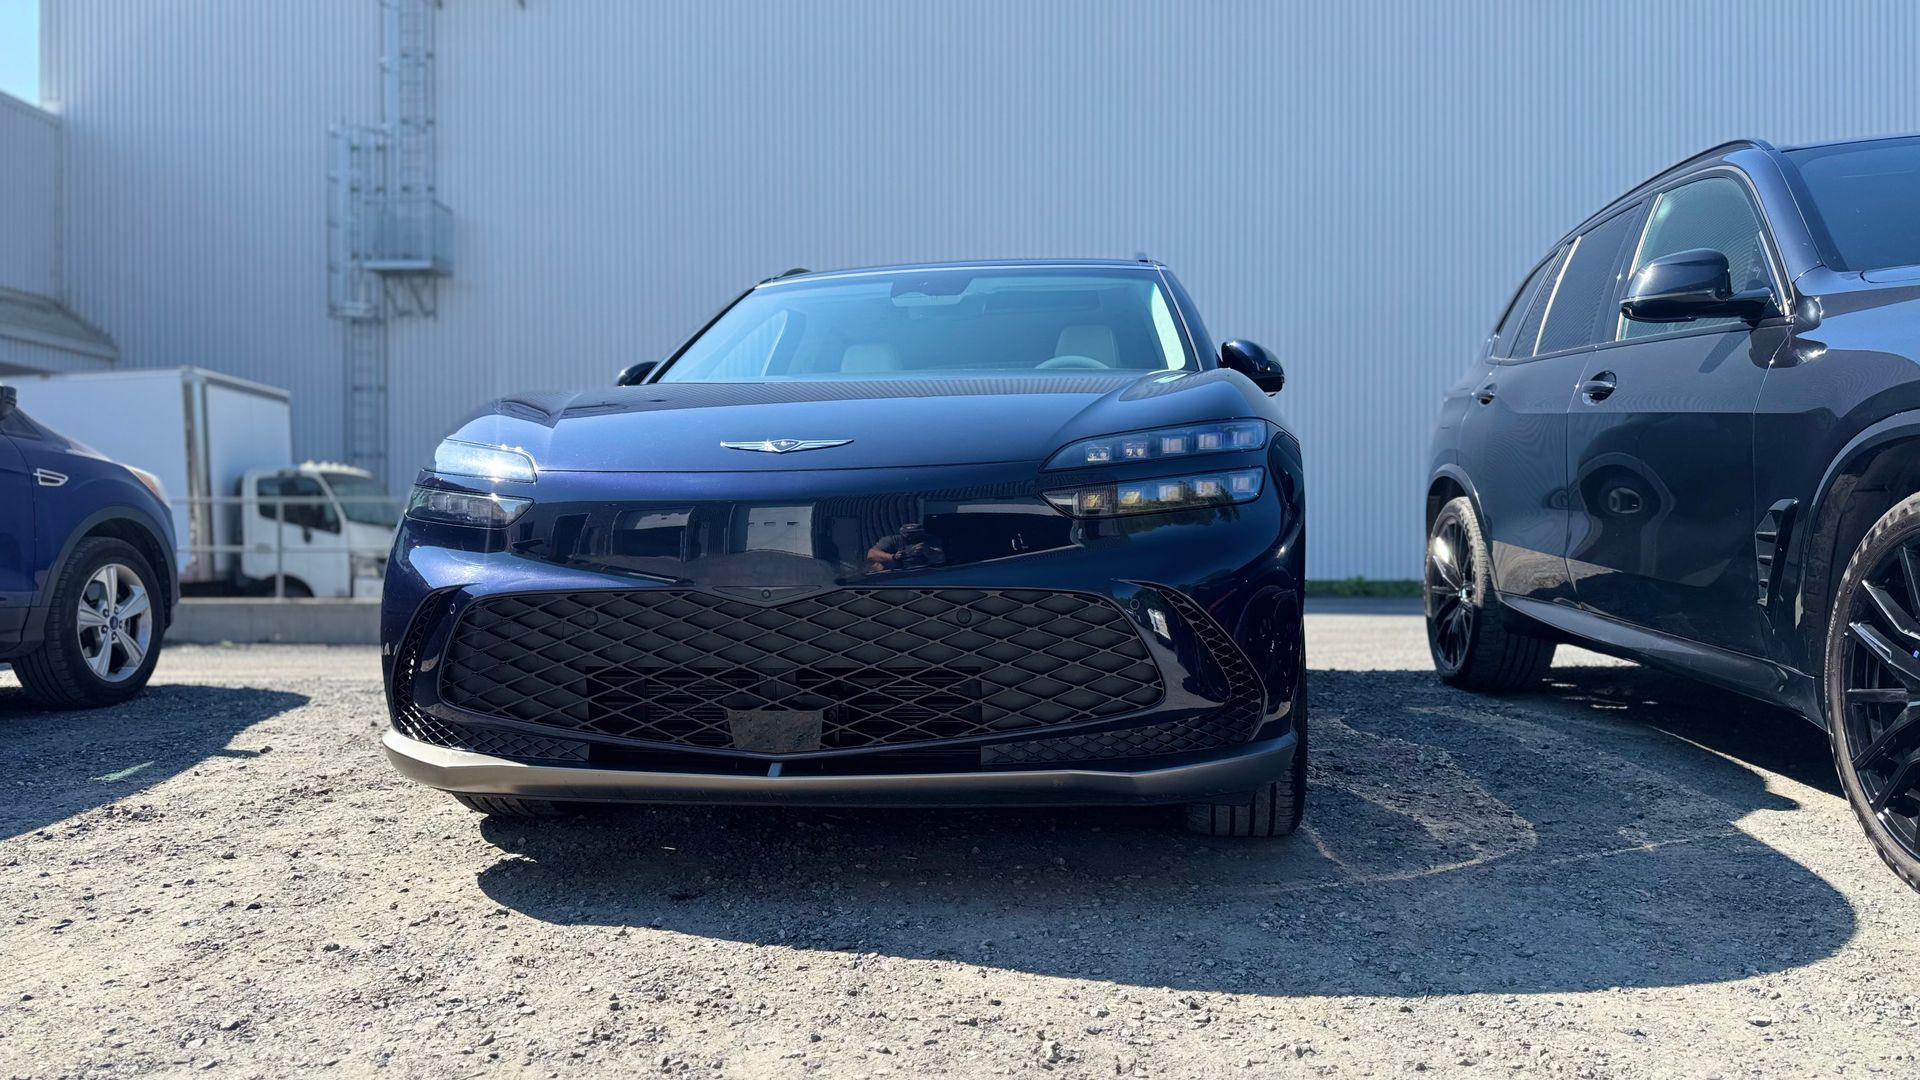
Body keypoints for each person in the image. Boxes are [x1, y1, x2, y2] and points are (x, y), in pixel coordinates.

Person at [865, 522, 945, 574]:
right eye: (909, 534)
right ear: (902, 533)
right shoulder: (892, 540)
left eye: (916, 533)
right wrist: (893, 557)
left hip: (925, 570)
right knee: (877, 565)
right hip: (896, 572)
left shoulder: (930, 539)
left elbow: (940, 555)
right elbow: (871, 554)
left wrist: (927, 550)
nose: (912, 536)